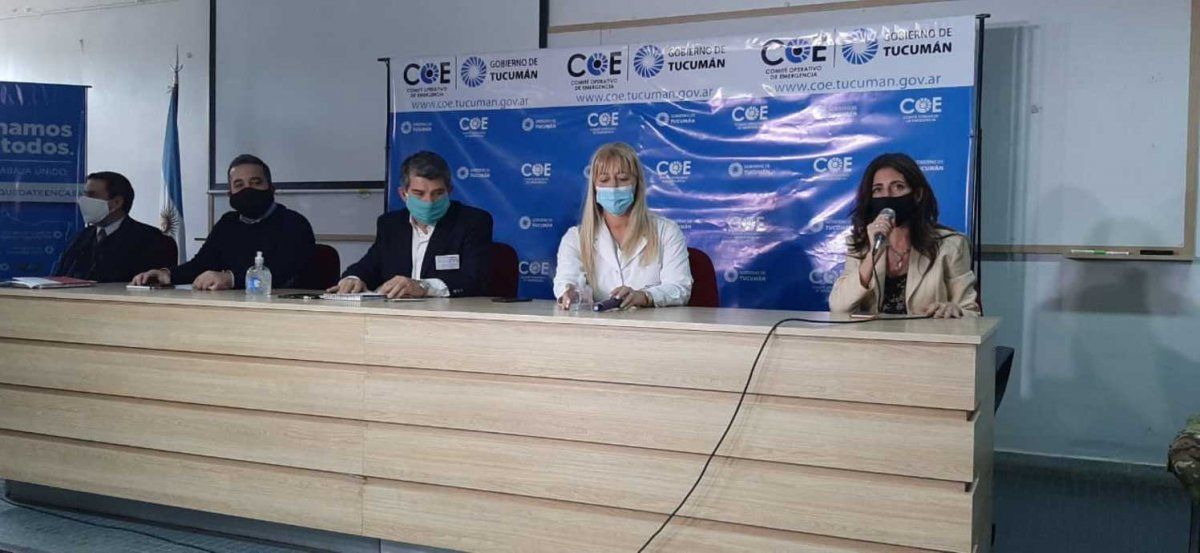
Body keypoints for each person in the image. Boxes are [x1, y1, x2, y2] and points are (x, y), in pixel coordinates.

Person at [828, 152, 979, 318]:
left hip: (926, 335)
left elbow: (971, 313)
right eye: (878, 190)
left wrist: (955, 310)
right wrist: (872, 256)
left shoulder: (951, 246)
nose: (887, 196)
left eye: (898, 187)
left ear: (917, 195)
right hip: (872, 335)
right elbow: (839, 307)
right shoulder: (861, 245)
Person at [131, 155, 315, 290]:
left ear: (271, 188)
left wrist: (230, 279)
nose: (247, 190)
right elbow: (201, 264)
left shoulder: (294, 223)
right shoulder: (228, 223)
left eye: (256, 182)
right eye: (239, 185)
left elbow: (283, 272)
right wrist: (167, 274)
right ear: (230, 194)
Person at [328, 151, 493, 298]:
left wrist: (423, 287)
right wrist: (353, 278)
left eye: (438, 193)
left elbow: (474, 278)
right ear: (403, 193)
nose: (429, 201)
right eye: (419, 194)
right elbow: (369, 265)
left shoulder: (472, 222)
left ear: (449, 191)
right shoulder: (390, 224)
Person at [554, 142, 692, 309]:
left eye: (623, 179)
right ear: (594, 187)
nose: (613, 187)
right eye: (604, 180)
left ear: (637, 184)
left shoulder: (666, 231)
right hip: (597, 324)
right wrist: (570, 293)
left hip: (651, 324)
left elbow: (679, 288)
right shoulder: (575, 237)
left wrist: (645, 296)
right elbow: (567, 280)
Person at [54, 171, 174, 282]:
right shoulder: (80, 237)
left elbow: (149, 284)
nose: (83, 201)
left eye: (91, 195)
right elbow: (58, 277)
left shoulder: (152, 240)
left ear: (116, 202)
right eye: (84, 195)